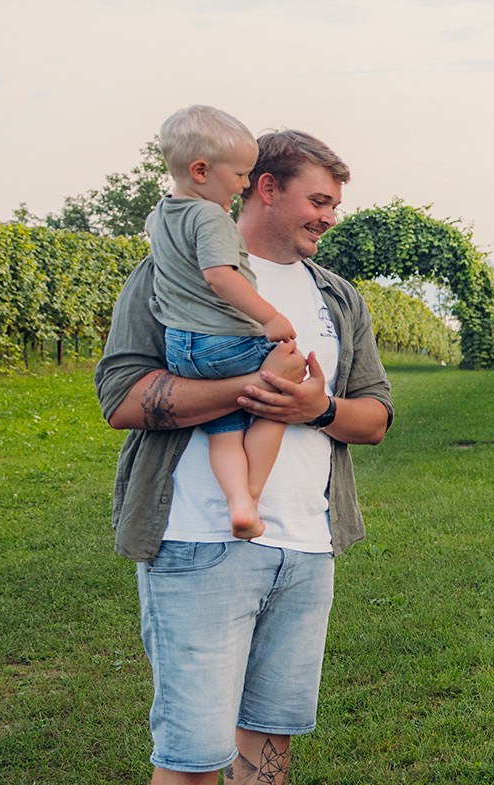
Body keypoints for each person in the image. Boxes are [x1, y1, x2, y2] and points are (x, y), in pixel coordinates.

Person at [96, 130, 392, 785]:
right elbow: (120, 396)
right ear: (262, 188)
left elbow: (374, 416)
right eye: (318, 203)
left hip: (307, 546)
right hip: (195, 540)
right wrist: (245, 392)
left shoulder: (336, 298)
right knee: (190, 749)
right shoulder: (172, 270)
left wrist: (317, 408)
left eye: (334, 206)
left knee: (270, 731)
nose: (327, 222)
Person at [146, 105, 302, 541]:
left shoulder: (158, 217)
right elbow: (219, 275)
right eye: (239, 175)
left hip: (183, 349)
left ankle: (239, 507)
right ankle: (249, 497)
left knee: (224, 430)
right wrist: (271, 317)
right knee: (281, 395)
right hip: (226, 340)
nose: (246, 184)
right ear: (200, 170)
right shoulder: (209, 216)